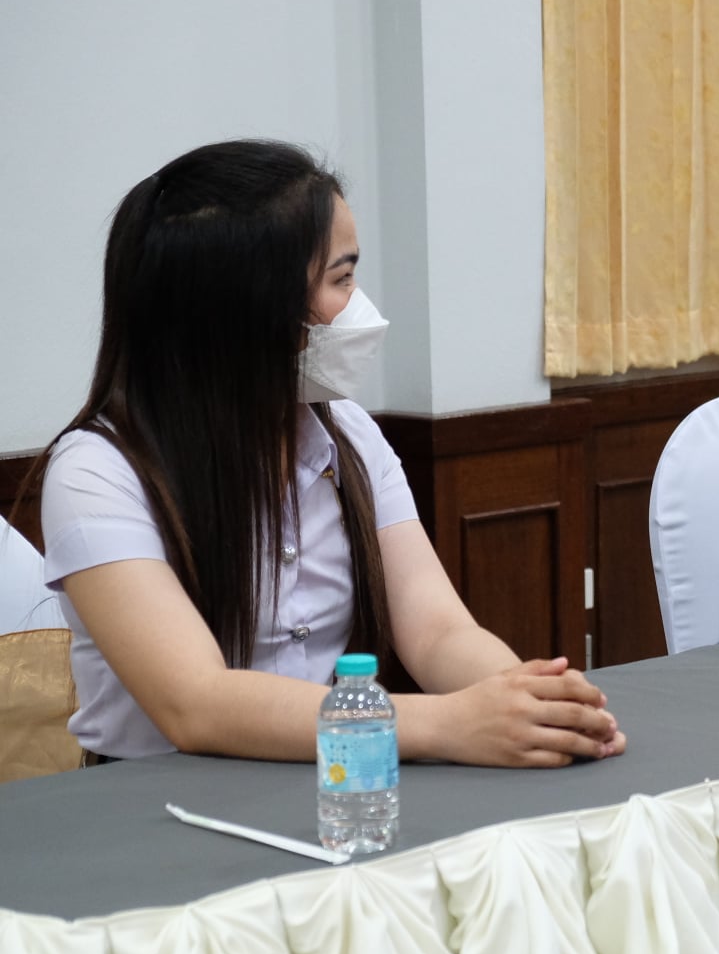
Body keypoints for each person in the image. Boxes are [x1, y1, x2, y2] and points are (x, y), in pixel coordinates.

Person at [28, 140, 625, 765]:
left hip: (331, 777)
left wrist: (529, 705)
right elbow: (195, 704)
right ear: (249, 309)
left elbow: (439, 631)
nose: (358, 305)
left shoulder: (349, 435)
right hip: (157, 809)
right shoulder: (97, 472)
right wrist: (446, 722)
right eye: (341, 278)